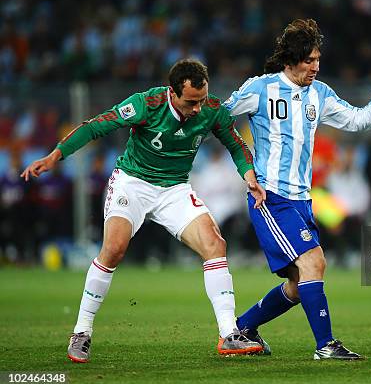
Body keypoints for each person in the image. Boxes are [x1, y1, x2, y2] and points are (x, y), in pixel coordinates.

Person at [21, 58, 266, 363]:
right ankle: (82, 331)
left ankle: (229, 335)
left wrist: (249, 175)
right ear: (172, 93)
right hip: (132, 183)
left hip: (174, 188)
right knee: (113, 249)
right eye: (191, 102)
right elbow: (96, 126)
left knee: (215, 244)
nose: (198, 109)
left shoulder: (211, 109)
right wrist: (57, 154)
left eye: (202, 100)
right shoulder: (145, 104)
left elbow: (236, 145)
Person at [223, 18, 371, 360]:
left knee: (298, 283)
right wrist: (245, 166)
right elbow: (219, 119)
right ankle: (326, 346)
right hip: (271, 197)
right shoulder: (260, 88)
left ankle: (242, 329)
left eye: (318, 60)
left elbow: (355, 120)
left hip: (302, 200)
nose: (316, 67)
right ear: (290, 60)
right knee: (314, 263)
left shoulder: (319, 93)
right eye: (309, 61)